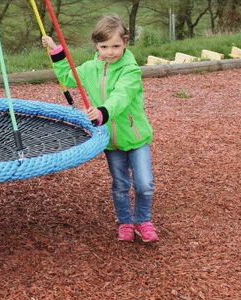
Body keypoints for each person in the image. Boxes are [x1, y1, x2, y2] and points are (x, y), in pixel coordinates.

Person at [42, 14, 158, 243]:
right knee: (121, 183)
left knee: (144, 183)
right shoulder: (90, 69)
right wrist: (56, 51)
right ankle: (125, 221)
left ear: (125, 42)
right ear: (96, 46)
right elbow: (68, 76)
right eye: (104, 46)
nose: (110, 52)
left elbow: (121, 97)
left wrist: (102, 112)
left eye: (116, 46)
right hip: (111, 141)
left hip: (136, 138)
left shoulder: (131, 71)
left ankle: (143, 220)